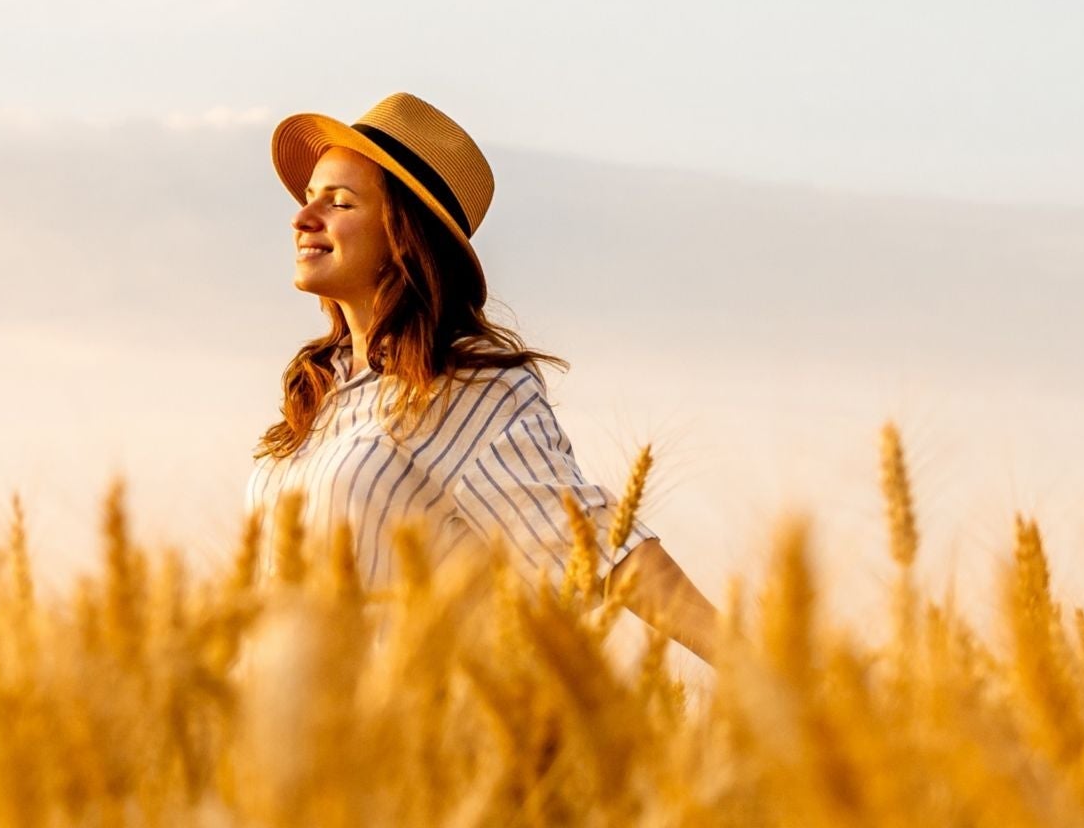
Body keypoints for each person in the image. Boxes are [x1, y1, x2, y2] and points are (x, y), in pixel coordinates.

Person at [246, 92, 726, 665]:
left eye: (340, 202)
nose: (303, 217)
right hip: (265, 739)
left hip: (380, 742)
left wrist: (759, 671)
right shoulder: (317, 390)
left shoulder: (465, 386)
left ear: (404, 235)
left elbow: (597, 542)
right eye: (308, 199)